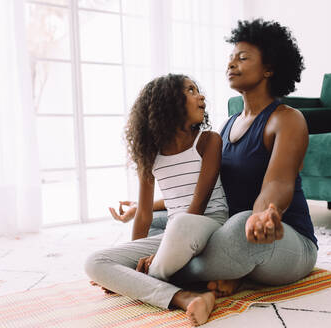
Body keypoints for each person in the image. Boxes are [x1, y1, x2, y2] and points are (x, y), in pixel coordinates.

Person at [87, 18, 318, 326]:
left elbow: (277, 183)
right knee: (150, 231)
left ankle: (145, 276)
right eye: (231, 57)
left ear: (269, 68)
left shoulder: (287, 120)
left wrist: (263, 215)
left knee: (237, 226)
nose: (232, 63)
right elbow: (205, 190)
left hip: (278, 239)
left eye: (243, 57)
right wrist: (142, 208)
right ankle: (204, 278)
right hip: (220, 233)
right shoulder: (227, 125)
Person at [87, 73, 228, 326]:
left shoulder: (209, 140)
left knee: (181, 224)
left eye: (198, 90)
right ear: (169, 102)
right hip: (175, 233)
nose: (201, 96)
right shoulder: (150, 153)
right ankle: (186, 298)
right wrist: (133, 258)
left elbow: (198, 205)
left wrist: (134, 270)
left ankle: (136, 282)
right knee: (94, 262)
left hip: (208, 223)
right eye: (191, 91)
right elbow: (143, 215)